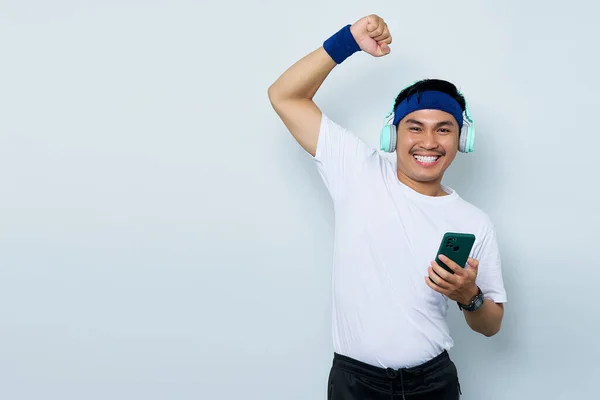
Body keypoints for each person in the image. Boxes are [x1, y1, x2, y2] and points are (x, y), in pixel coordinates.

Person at [267, 13, 507, 400]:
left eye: (443, 128)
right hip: (355, 384)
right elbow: (284, 95)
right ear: (391, 134)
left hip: (433, 382)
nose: (428, 141)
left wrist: (469, 296)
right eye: (414, 126)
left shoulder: (475, 222)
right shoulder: (357, 171)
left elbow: (491, 324)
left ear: (462, 139)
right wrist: (348, 41)